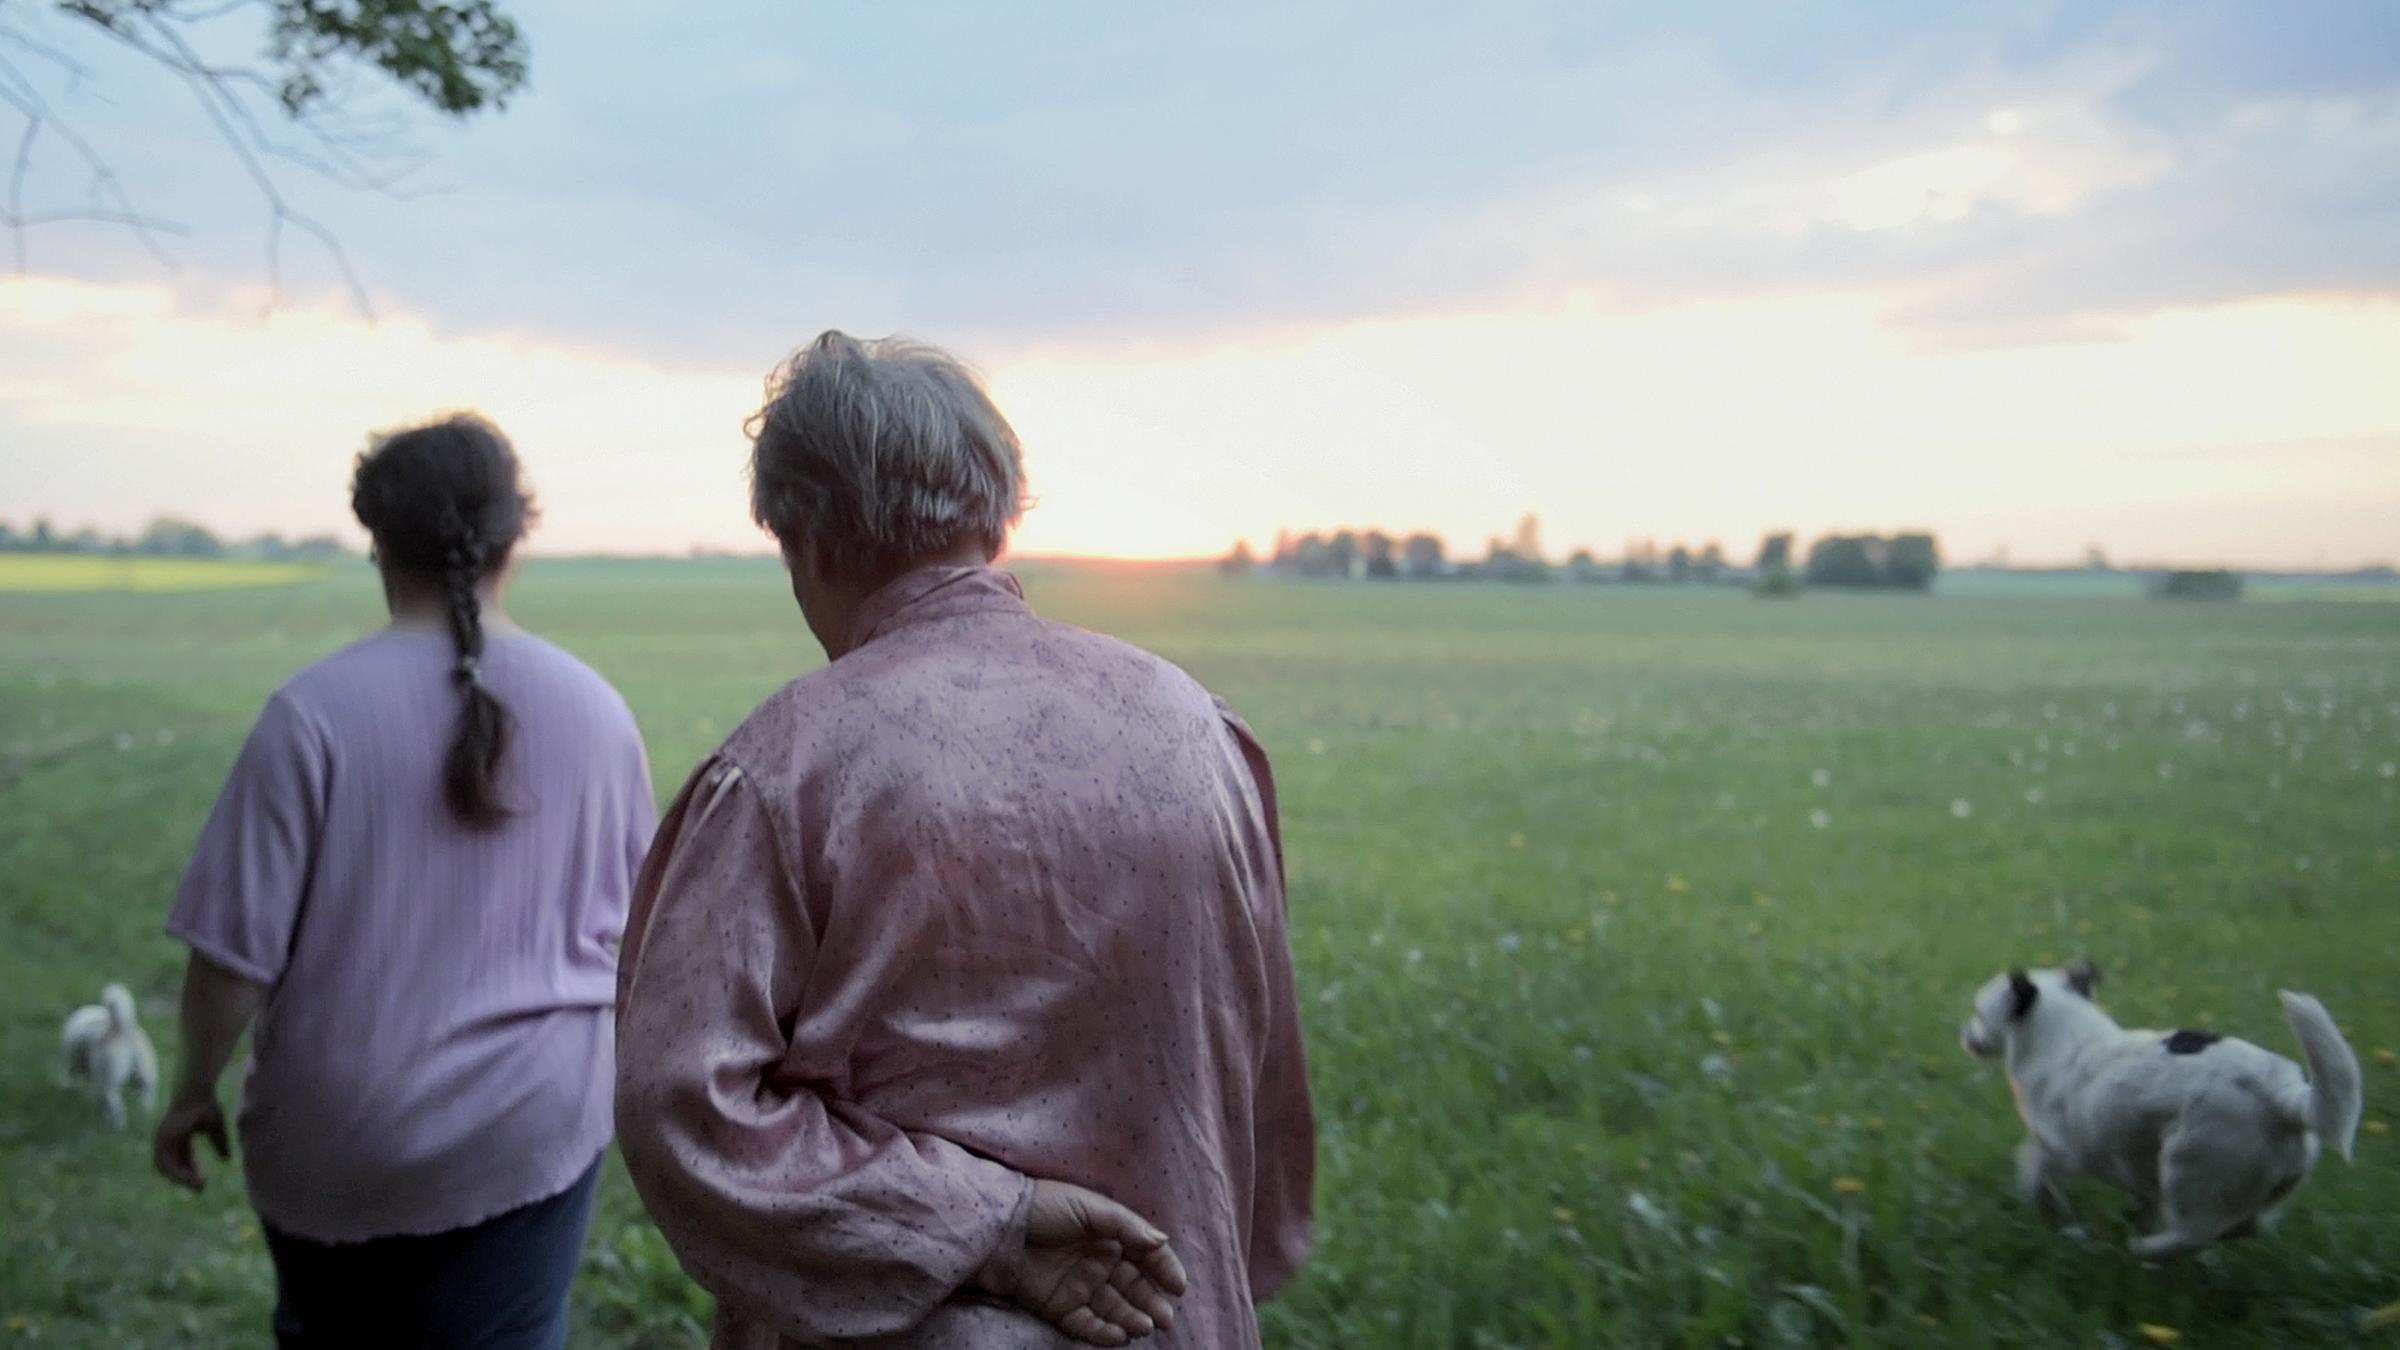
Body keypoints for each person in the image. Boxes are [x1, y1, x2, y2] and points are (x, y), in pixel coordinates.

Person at [615, 332, 1316, 1349]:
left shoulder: (782, 770)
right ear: (996, 517)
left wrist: (985, 1230)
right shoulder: (1201, 734)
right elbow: (1261, 1077)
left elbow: (683, 1109)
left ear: (804, 537)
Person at [152, 415, 656, 1349]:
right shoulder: (598, 713)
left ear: (378, 542)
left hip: (333, 1147)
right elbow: (648, 941)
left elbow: (230, 962)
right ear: (517, 536)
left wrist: (190, 1095)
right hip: (527, 1135)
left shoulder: (309, 718)